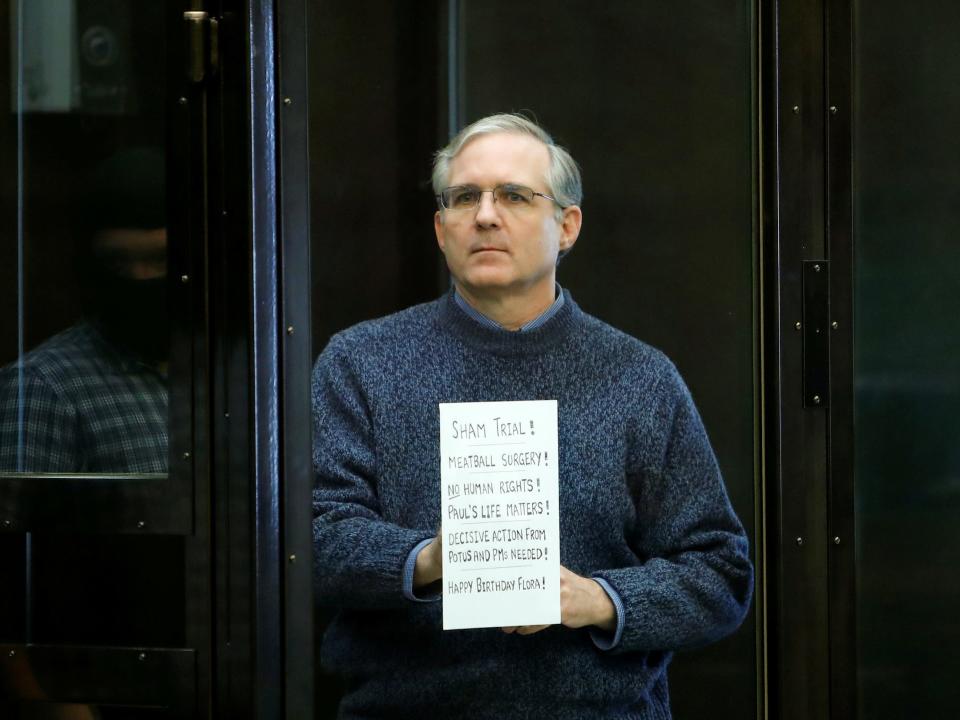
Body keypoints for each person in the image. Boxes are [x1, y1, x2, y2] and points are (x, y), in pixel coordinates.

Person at [312, 113, 753, 719]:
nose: (485, 215)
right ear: (441, 229)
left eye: (515, 196)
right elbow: (311, 542)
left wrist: (595, 600)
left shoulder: (640, 376)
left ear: (567, 225)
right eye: (465, 197)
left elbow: (719, 574)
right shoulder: (359, 361)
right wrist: (434, 559)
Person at [0, 147, 168, 473]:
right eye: (118, 262)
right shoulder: (42, 388)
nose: (141, 280)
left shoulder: (229, 375)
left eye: (161, 260)